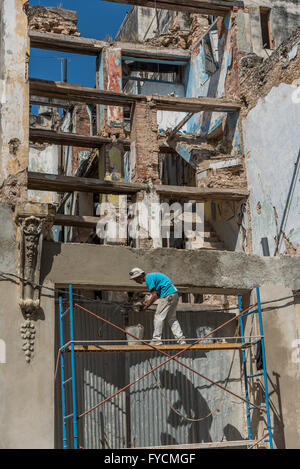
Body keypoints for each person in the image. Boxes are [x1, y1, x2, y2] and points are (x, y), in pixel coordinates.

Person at [129, 267, 186, 346]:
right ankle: (181, 339)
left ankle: (156, 339)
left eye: (135, 279)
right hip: (174, 294)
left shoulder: (148, 278)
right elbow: (158, 294)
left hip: (168, 294)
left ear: (140, 276)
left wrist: (145, 307)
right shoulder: (153, 276)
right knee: (172, 318)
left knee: (159, 316)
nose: (136, 281)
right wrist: (148, 301)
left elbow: (155, 295)